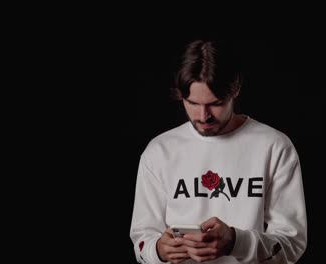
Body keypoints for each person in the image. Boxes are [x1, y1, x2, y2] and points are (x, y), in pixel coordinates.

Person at [130, 39, 307, 264]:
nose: (204, 116)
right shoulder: (159, 151)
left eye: (216, 103)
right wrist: (159, 250)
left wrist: (235, 242)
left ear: (236, 89)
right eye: (192, 103)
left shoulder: (274, 146)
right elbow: (142, 241)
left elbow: (292, 244)